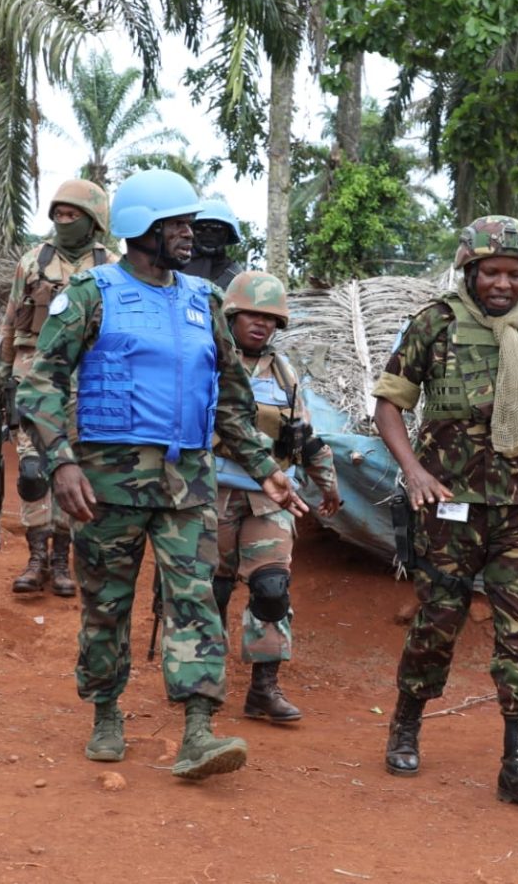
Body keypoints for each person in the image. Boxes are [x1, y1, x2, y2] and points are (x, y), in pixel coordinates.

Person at [16, 168, 308, 781]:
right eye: (177, 223)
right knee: (106, 605)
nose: (190, 233)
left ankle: (198, 730)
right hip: (106, 482)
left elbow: (229, 400)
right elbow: (40, 383)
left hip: (188, 483)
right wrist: (62, 461)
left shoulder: (203, 301)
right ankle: (105, 712)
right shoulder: (91, 294)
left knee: (195, 601)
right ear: (142, 229)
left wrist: (264, 469)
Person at [371, 214, 518, 820]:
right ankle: (405, 724)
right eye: (492, 271)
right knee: (438, 622)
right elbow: (389, 406)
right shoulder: (434, 325)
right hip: (449, 508)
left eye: (515, 273)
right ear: (469, 270)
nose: (504, 283)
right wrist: (414, 472)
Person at [213, 270, 342, 722]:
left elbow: (304, 435)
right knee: (211, 591)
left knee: (271, 589)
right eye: (252, 314)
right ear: (231, 314)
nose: (260, 324)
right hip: (211, 492)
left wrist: (327, 482)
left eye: (270, 318)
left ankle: (263, 690)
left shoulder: (285, 375)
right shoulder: (206, 360)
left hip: (270, 500)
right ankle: (201, 685)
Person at [1, 178, 111, 597]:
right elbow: (11, 322)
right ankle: (35, 557)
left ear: (93, 220)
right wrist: (5, 378)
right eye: (59, 215)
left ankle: (62, 560)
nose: (64, 222)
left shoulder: (111, 267)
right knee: (32, 472)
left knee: (73, 470)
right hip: (34, 381)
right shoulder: (32, 262)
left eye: (73, 215)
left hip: (89, 385)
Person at [180, 198, 244, 289]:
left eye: (216, 228)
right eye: (201, 228)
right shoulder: (173, 265)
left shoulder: (236, 276)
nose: (208, 233)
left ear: (228, 233)